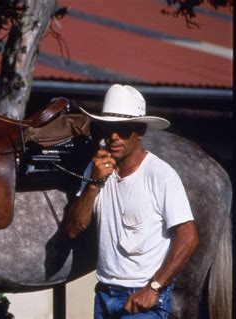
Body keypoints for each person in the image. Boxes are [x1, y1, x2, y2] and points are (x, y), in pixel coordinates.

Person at [63, 84, 199, 319]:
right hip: (104, 295)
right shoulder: (96, 169)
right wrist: (93, 184)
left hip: (142, 298)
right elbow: (73, 229)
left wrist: (154, 287)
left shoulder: (160, 175)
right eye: (108, 128)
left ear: (140, 131)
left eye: (123, 129)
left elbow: (188, 236)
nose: (113, 137)